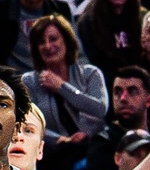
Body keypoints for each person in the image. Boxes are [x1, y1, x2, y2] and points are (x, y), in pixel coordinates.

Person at [22, 12, 109, 152]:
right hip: (52, 153)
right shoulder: (28, 81)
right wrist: (61, 139)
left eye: (53, 39)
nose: (48, 46)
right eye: (41, 42)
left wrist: (62, 87)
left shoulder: (90, 73)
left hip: (93, 148)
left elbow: (100, 109)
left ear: (67, 41)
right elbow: (27, 123)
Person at [83, 65, 150, 170]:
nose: (123, 98)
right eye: (117, 92)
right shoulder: (101, 143)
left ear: (149, 100)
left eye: (132, 92)